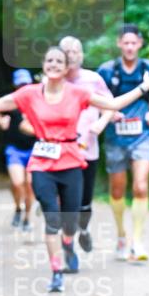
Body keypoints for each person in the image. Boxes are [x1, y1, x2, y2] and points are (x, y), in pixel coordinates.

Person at [0, 47, 149, 292]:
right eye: (49, 60)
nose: (54, 64)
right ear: (43, 65)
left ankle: (68, 243)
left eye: (59, 61)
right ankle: (56, 272)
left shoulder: (78, 93)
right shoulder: (30, 93)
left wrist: (143, 88)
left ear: (67, 68)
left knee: (70, 221)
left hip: (70, 161)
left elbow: (112, 103)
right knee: (52, 219)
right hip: (42, 163)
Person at [97, 24, 149, 262]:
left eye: (134, 43)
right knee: (117, 189)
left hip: (143, 134)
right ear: (119, 44)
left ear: (140, 44)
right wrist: (109, 113)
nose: (130, 47)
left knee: (141, 186)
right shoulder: (106, 70)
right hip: (115, 136)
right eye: (126, 43)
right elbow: (98, 100)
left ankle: (137, 241)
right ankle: (121, 235)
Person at [60, 36, 113, 253]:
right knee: (65, 199)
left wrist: (101, 122)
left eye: (76, 51)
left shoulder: (93, 79)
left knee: (84, 201)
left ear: (82, 55)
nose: (72, 55)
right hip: (62, 151)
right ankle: (67, 244)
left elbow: (110, 104)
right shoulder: (53, 81)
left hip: (87, 148)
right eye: (67, 52)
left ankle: (83, 229)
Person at [0, 69, 36, 231]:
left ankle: (27, 218)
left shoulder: (38, 102)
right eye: (20, 84)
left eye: (26, 83)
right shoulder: (10, 102)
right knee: (17, 182)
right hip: (14, 149)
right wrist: (1, 123)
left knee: (30, 184)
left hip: (34, 149)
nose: (23, 87)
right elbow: (0, 116)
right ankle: (18, 208)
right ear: (15, 85)